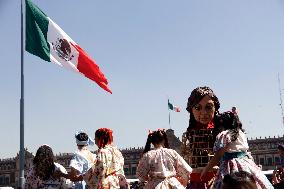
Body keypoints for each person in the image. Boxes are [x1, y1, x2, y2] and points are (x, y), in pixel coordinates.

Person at [200, 111, 274, 189]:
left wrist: (206, 169)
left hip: (230, 165)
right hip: (247, 164)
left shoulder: (224, 134)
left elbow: (218, 154)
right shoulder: (241, 134)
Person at [181, 86, 222, 189]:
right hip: (196, 183)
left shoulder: (223, 134)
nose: (204, 113)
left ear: (215, 108)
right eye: (198, 108)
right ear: (191, 110)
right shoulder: (187, 136)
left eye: (208, 107)